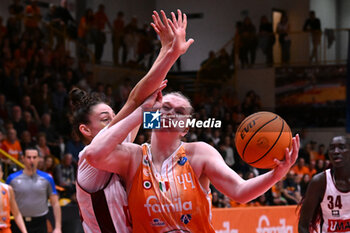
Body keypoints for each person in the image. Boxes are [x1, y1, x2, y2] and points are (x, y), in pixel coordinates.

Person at [86, 88, 300, 231]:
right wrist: (140, 112)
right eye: (165, 108)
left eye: (180, 112)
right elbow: (93, 154)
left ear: (185, 128)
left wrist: (276, 174)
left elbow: (240, 191)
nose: (171, 113)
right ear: (151, 117)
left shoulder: (199, 153)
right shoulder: (132, 157)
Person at [74, 9, 193, 233]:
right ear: (85, 130)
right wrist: (170, 54)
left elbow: (141, 100)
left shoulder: (118, 147)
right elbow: (136, 102)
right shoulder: (88, 162)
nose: (114, 122)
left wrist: (166, 51)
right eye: (105, 120)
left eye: (113, 116)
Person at [298, 135, 350, 232]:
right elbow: (303, 224)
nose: (336, 151)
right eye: (332, 148)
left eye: (341, 147)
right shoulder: (319, 182)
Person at [6, 148, 61, 233]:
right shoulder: (12, 179)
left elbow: (55, 203)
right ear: (23, 158)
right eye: (28, 157)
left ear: (39, 159)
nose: (31, 160)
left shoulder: (47, 178)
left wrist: (58, 227)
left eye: (34, 157)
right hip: (18, 222)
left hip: (40, 222)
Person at [0, 162, 28, 233]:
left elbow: (16, 213)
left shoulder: (7, 189)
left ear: (2, 174)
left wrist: (24, 231)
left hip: (4, 229)